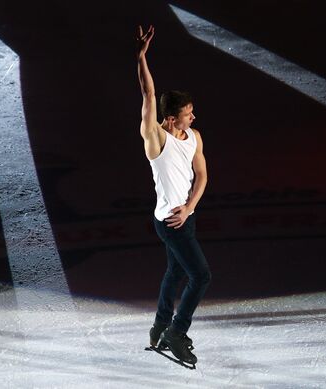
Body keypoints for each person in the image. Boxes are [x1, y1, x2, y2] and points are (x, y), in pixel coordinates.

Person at [136, 26, 211, 365]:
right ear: (170, 118)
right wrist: (141, 57)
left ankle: (159, 327)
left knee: (176, 273)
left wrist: (190, 207)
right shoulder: (156, 139)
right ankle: (176, 332)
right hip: (169, 221)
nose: (193, 116)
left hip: (185, 218)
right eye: (187, 112)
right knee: (201, 275)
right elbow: (149, 97)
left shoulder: (193, 136)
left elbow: (203, 175)